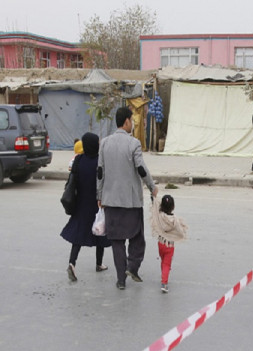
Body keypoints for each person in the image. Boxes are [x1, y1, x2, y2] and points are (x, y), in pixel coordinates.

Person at [97, 107, 158, 290]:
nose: (133, 123)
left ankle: (121, 280)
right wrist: (152, 187)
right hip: (131, 201)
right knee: (137, 237)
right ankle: (132, 267)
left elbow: (100, 172)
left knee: (117, 241)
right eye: (132, 120)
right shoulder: (134, 144)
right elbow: (141, 168)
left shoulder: (104, 143)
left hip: (111, 200)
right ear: (126, 122)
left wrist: (99, 195)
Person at [61, 133, 111, 281]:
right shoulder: (99, 161)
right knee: (100, 230)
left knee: (78, 235)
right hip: (97, 202)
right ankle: (99, 263)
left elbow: (72, 179)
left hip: (81, 203)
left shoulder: (79, 160)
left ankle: (72, 262)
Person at [150, 194, 188, 293]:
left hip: (161, 244)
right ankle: (164, 283)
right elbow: (179, 231)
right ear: (173, 206)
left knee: (163, 262)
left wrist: (153, 198)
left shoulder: (160, 216)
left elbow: (155, 207)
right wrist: (183, 234)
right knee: (167, 264)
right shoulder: (174, 220)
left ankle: (163, 275)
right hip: (169, 246)